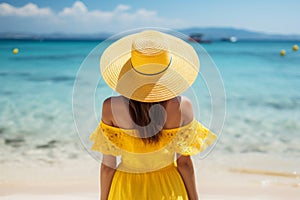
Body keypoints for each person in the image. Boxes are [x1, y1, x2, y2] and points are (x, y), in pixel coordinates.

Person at [90, 30, 217, 200]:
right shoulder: (182, 106)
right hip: (168, 187)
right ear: (168, 71)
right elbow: (184, 164)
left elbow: (108, 166)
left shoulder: (110, 107)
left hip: (127, 188)